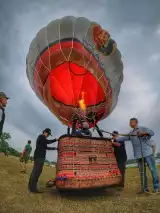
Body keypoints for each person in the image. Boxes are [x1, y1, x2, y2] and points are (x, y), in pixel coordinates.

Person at [113, 118, 159, 193]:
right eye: (129, 122)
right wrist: (114, 138)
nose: (130, 124)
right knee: (142, 172)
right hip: (138, 155)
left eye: (131, 122)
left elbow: (152, 132)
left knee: (153, 169)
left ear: (136, 122)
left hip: (147, 153)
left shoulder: (143, 128)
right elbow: (123, 138)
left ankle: (157, 187)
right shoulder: (131, 133)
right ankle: (144, 189)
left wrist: (144, 133)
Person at [28, 128, 58, 193]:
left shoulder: (43, 140)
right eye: (48, 134)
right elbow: (48, 142)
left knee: (35, 171)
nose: (48, 135)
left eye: (49, 134)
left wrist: (55, 148)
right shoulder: (41, 136)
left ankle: (31, 186)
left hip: (39, 156)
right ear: (45, 132)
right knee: (37, 171)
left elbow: (46, 147)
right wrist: (55, 140)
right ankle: (33, 188)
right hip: (39, 156)